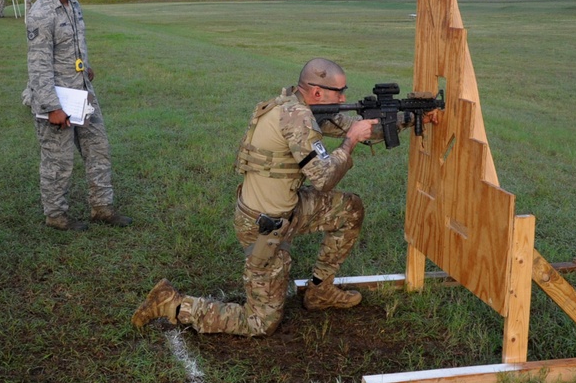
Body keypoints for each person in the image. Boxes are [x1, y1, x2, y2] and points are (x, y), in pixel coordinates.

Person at [132, 58, 439, 336]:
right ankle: (171, 304)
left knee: (350, 209)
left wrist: (412, 118)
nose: (344, 98)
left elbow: (355, 125)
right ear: (317, 92)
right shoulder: (296, 119)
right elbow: (324, 179)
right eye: (339, 91)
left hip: (288, 208)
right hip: (263, 226)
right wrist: (350, 142)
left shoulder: (297, 104)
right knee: (261, 323)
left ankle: (320, 292)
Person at [24, 0, 130, 230]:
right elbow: (38, 66)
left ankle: (102, 209)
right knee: (58, 161)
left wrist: (85, 66)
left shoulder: (73, 4)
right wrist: (52, 108)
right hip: (57, 99)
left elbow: (72, 45)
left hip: (82, 92)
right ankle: (56, 216)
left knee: (99, 149)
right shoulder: (41, 14)